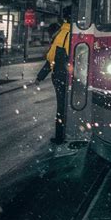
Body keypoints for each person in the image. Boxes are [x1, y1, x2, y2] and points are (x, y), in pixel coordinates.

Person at [35, 8, 71, 144]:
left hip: (60, 76)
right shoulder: (73, 32)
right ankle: (64, 134)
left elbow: (51, 59)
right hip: (68, 76)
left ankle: (60, 136)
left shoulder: (62, 35)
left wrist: (40, 76)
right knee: (65, 106)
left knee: (61, 107)